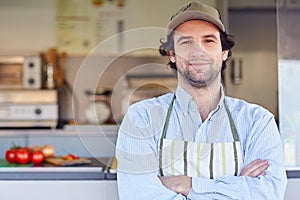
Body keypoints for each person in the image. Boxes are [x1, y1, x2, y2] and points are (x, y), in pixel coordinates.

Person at [116, 1, 287, 199]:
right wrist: (237, 188)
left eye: (208, 41)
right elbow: (140, 196)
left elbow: (268, 193)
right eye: (186, 42)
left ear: (224, 52)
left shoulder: (257, 121)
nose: (198, 51)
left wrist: (190, 185)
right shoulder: (141, 119)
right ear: (172, 54)